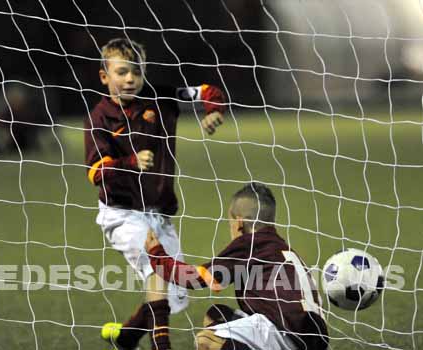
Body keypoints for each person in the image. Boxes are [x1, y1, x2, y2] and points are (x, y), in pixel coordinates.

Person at [84, 38, 226, 350]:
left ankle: (126, 336)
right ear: (104, 76)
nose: (130, 78)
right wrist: (130, 163)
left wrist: (213, 110)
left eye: (136, 71)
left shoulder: (160, 96)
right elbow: (95, 172)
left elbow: (207, 92)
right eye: (122, 72)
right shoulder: (99, 118)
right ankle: (162, 346)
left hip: (158, 213)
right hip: (121, 213)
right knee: (157, 265)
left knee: (175, 293)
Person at [145, 183, 329, 350]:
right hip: (311, 338)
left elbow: (194, 278)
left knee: (207, 341)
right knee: (217, 315)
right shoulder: (280, 249)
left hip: (286, 335)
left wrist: (156, 254)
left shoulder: (251, 244)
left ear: (239, 223)